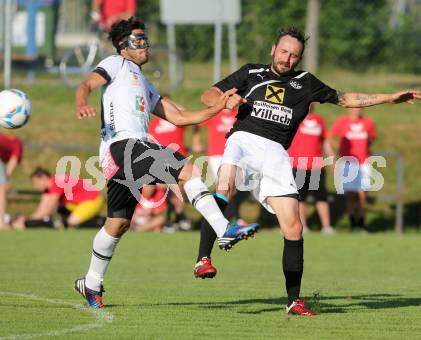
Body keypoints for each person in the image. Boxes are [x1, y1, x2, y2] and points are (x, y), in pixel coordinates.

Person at [193, 26, 421, 316]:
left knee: (294, 226)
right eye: (284, 51)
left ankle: (293, 301)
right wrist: (224, 100)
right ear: (273, 49)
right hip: (243, 140)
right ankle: (203, 259)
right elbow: (207, 94)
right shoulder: (251, 73)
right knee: (225, 186)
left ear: (299, 59)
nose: (287, 58)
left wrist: (389, 98)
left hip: (276, 152)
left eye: (294, 55)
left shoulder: (305, 82)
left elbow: (346, 98)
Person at [73, 17, 259, 309]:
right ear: (123, 46)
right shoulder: (115, 64)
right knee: (187, 169)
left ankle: (91, 284)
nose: (144, 44)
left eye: (145, 39)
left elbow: (181, 116)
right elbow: (86, 84)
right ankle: (223, 228)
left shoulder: (143, 83)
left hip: (123, 154)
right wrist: (81, 101)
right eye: (138, 40)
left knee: (119, 223)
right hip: (123, 146)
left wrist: (219, 106)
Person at [288, 104, 335, 234]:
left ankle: (326, 226)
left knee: (321, 196)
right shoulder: (295, 118)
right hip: (299, 164)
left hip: (316, 165)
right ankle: (303, 226)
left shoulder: (319, 120)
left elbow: (325, 141)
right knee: (300, 197)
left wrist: (332, 159)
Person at [328, 107, 376, 231]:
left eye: (359, 108)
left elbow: (372, 138)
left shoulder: (368, 122)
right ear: (349, 109)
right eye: (354, 108)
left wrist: (366, 149)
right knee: (350, 194)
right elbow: (330, 137)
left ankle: (362, 222)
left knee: (362, 193)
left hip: (363, 162)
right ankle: (352, 223)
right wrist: (338, 149)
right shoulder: (342, 122)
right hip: (348, 162)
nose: (357, 110)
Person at [11, 167, 104, 230]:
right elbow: (41, 208)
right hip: (77, 204)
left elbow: (47, 210)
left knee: (72, 222)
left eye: (36, 182)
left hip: (93, 200)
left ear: (43, 177)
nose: (36, 186)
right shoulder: (48, 188)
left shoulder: (56, 183)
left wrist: (26, 223)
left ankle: (102, 222)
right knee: (62, 216)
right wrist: (28, 220)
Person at [148, 113, 192, 231]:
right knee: (164, 193)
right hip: (160, 161)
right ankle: (169, 220)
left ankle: (179, 218)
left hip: (178, 160)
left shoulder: (177, 120)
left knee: (178, 193)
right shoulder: (153, 124)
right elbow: (149, 141)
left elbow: (191, 120)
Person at [0, 133, 24, 230]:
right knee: (1, 189)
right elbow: (13, 162)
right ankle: (0, 222)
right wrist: (6, 180)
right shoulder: (17, 144)